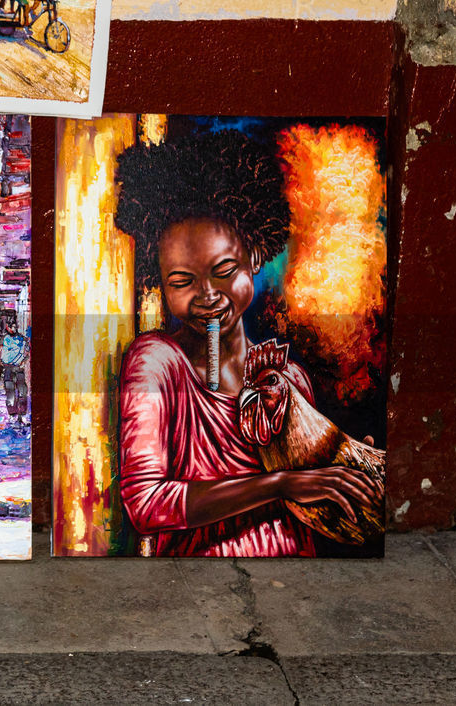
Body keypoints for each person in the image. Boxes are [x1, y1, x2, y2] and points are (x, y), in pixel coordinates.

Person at [114, 129, 381, 557]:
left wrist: (348, 470)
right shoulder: (157, 362)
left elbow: (314, 498)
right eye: (182, 281)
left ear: (255, 256)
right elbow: (146, 504)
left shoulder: (288, 377)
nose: (207, 295)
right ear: (160, 283)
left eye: (224, 270)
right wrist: (280, 484)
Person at [0, 318, 30, 426]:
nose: (13, 329)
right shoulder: (3, 339)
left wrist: (24, 362)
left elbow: (27, 351)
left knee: (22, 392)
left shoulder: (22, 339)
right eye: (11, 327)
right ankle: (12, 415)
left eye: (15, 327)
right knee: (10, 393)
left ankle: (22, 415)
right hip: (7, 368)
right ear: (7, 327)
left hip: (19, 369)